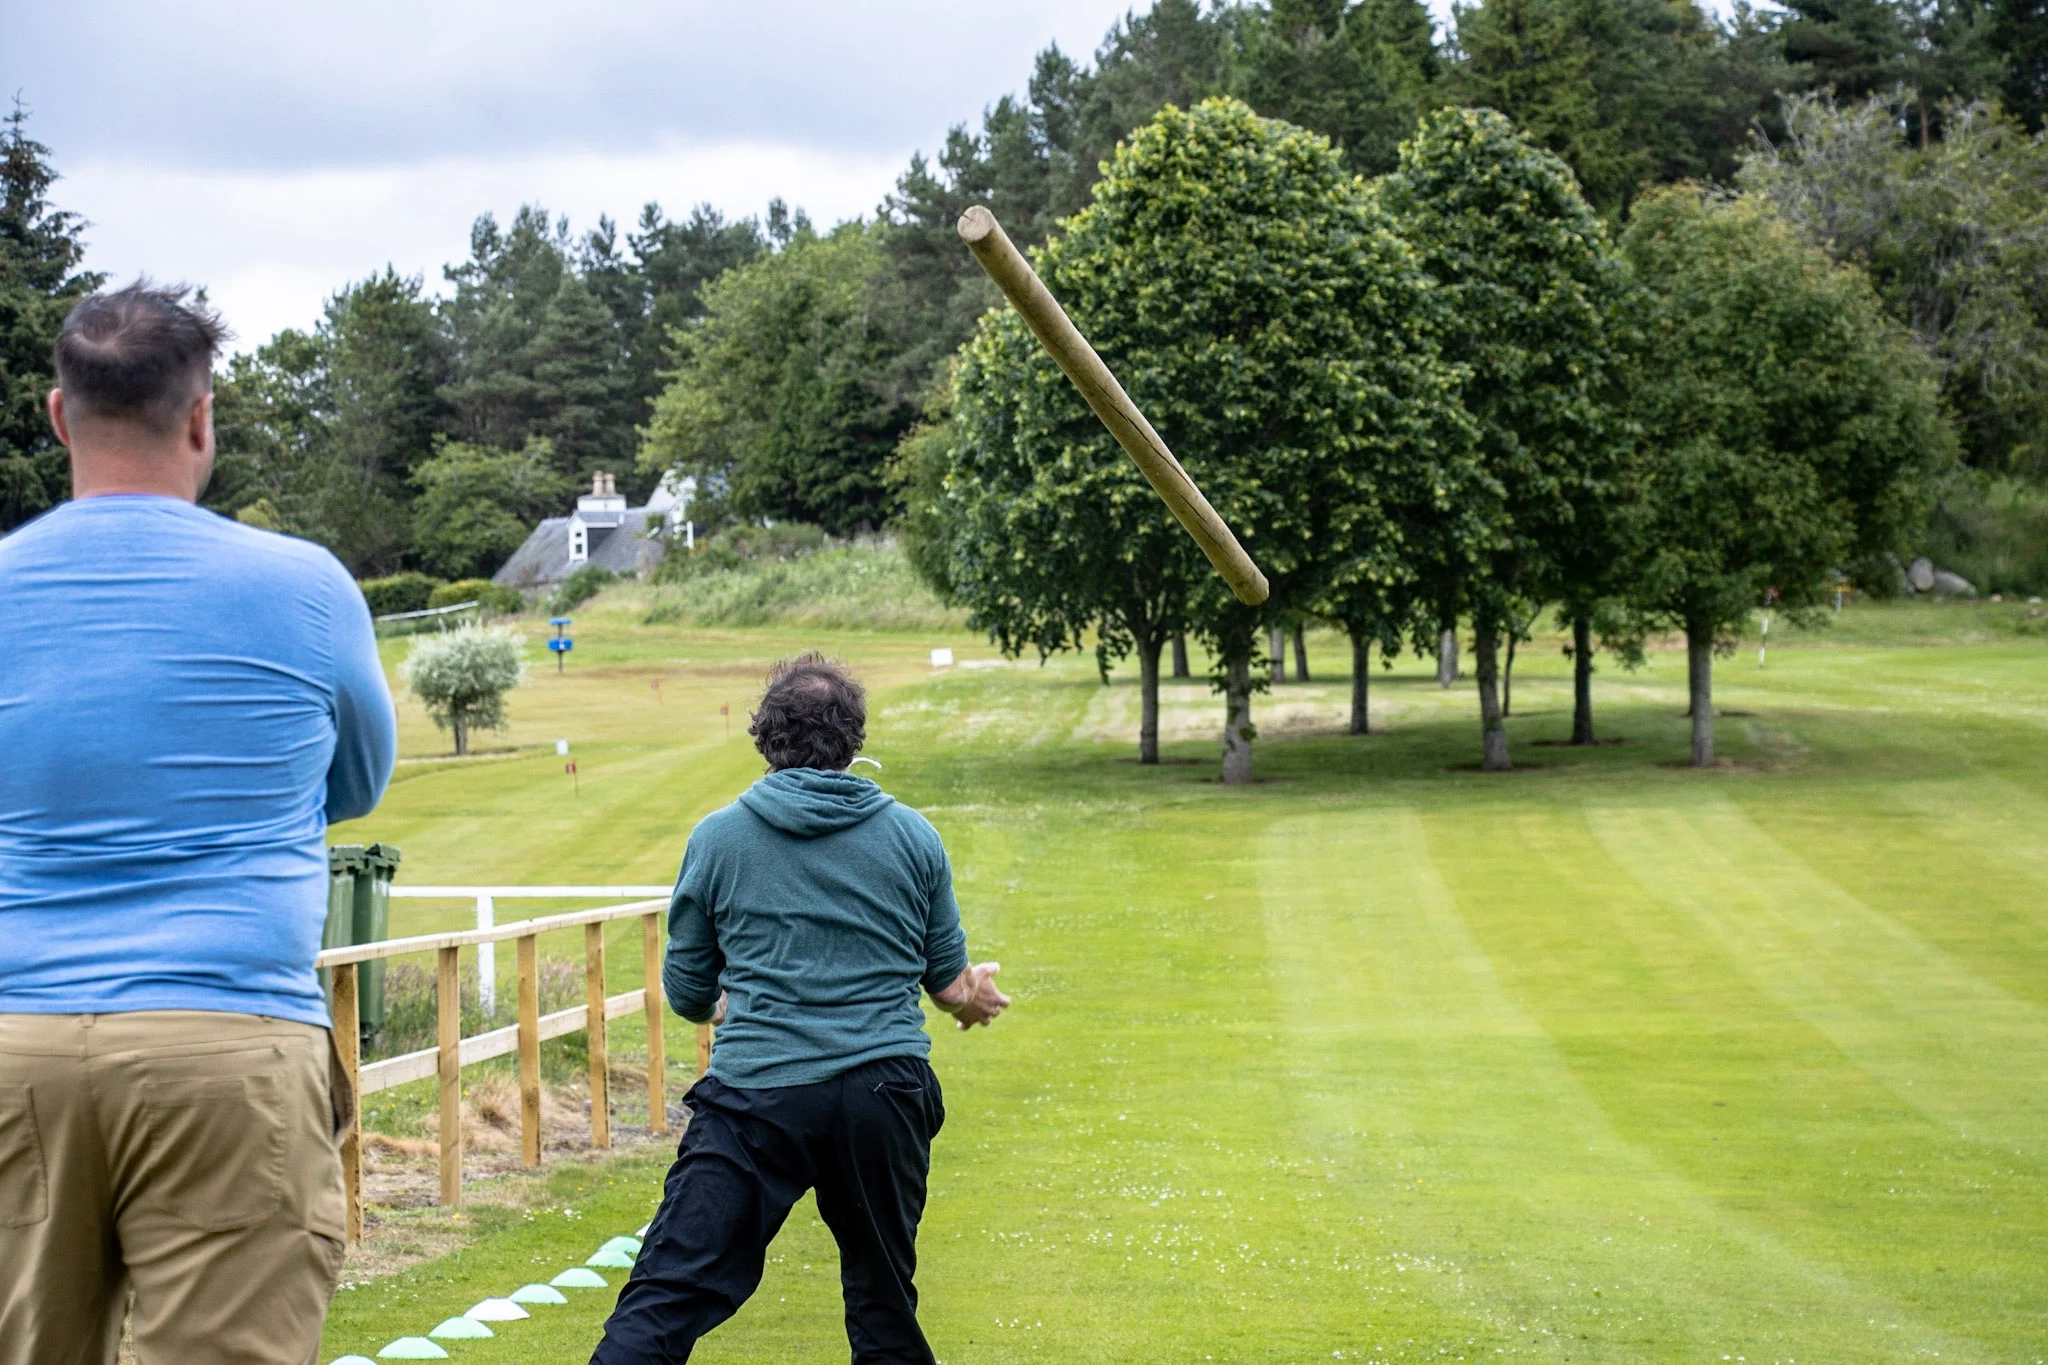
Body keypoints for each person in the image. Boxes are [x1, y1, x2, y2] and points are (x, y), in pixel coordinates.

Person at [0, 283, 397, 1365]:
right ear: (200, 417)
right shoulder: (304, 587)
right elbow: (357, 781)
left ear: (57, 415)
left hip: (14, 1041)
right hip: (227, 1039)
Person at [592, 652, 1009, 1365]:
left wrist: (734, 1004)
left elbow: (689, 990)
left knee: (667, 1294)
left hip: (759, 1098)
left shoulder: (718, 837)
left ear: (765, 735)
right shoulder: (914, 836)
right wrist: (974, 998)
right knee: (884, 1304)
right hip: (884, 1095)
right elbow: (946, 982)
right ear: (854, 739)